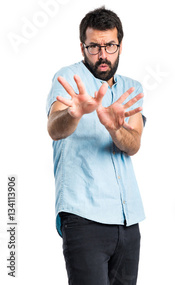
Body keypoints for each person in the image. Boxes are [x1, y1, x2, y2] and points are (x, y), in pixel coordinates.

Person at [46, 7, 145, 285]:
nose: (102, 55)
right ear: (82, 47)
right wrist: (74, 113)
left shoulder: (131, 88)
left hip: (128, 221)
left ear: (120, 46)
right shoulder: (69, 78)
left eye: (110, 46)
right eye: (94, 47)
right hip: (83, 218)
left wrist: (114, 128)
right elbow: (54, 128)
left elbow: (133, 144)